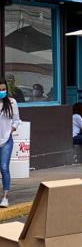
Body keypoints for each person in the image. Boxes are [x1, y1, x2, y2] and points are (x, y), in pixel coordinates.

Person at [0, 78, 20, 208]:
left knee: (4, 167)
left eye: (4, 89)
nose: (2, 91)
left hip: (6, 140)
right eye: (0, 89)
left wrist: (11, 129)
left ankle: (5, 196)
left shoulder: (12, 102)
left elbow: (17, 120)